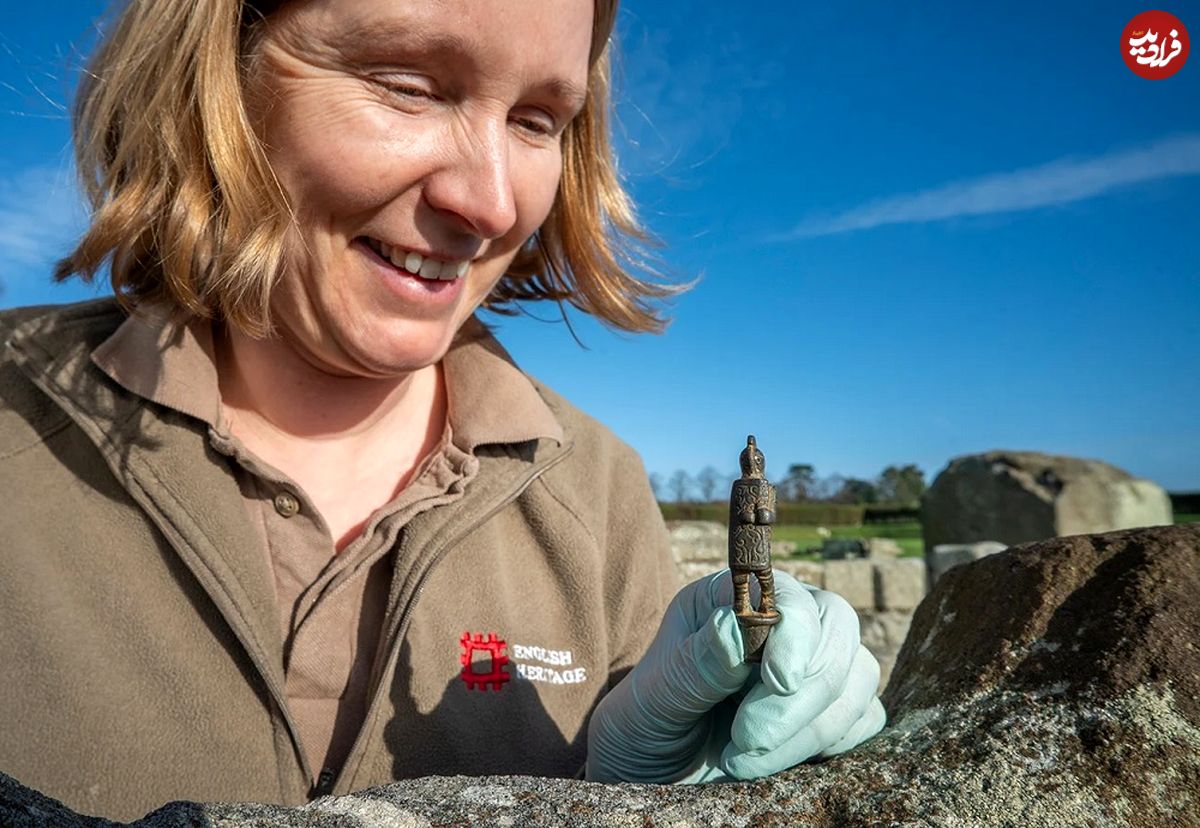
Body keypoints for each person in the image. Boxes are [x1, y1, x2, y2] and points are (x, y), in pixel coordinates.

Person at [0, 0, 885, 820]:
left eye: (537, 121)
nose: (491, 204)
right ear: (220, 75)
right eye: (408, 87)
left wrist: (649, 800)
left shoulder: (599, 488)